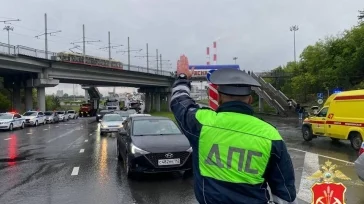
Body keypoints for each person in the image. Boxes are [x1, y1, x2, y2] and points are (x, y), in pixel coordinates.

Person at [170, 55, 297, 204]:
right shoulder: (270, 135)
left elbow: (179, 102)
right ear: (250, 100)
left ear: (219, 98)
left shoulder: (202, 123)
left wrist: (183, 77)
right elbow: (285, 194)